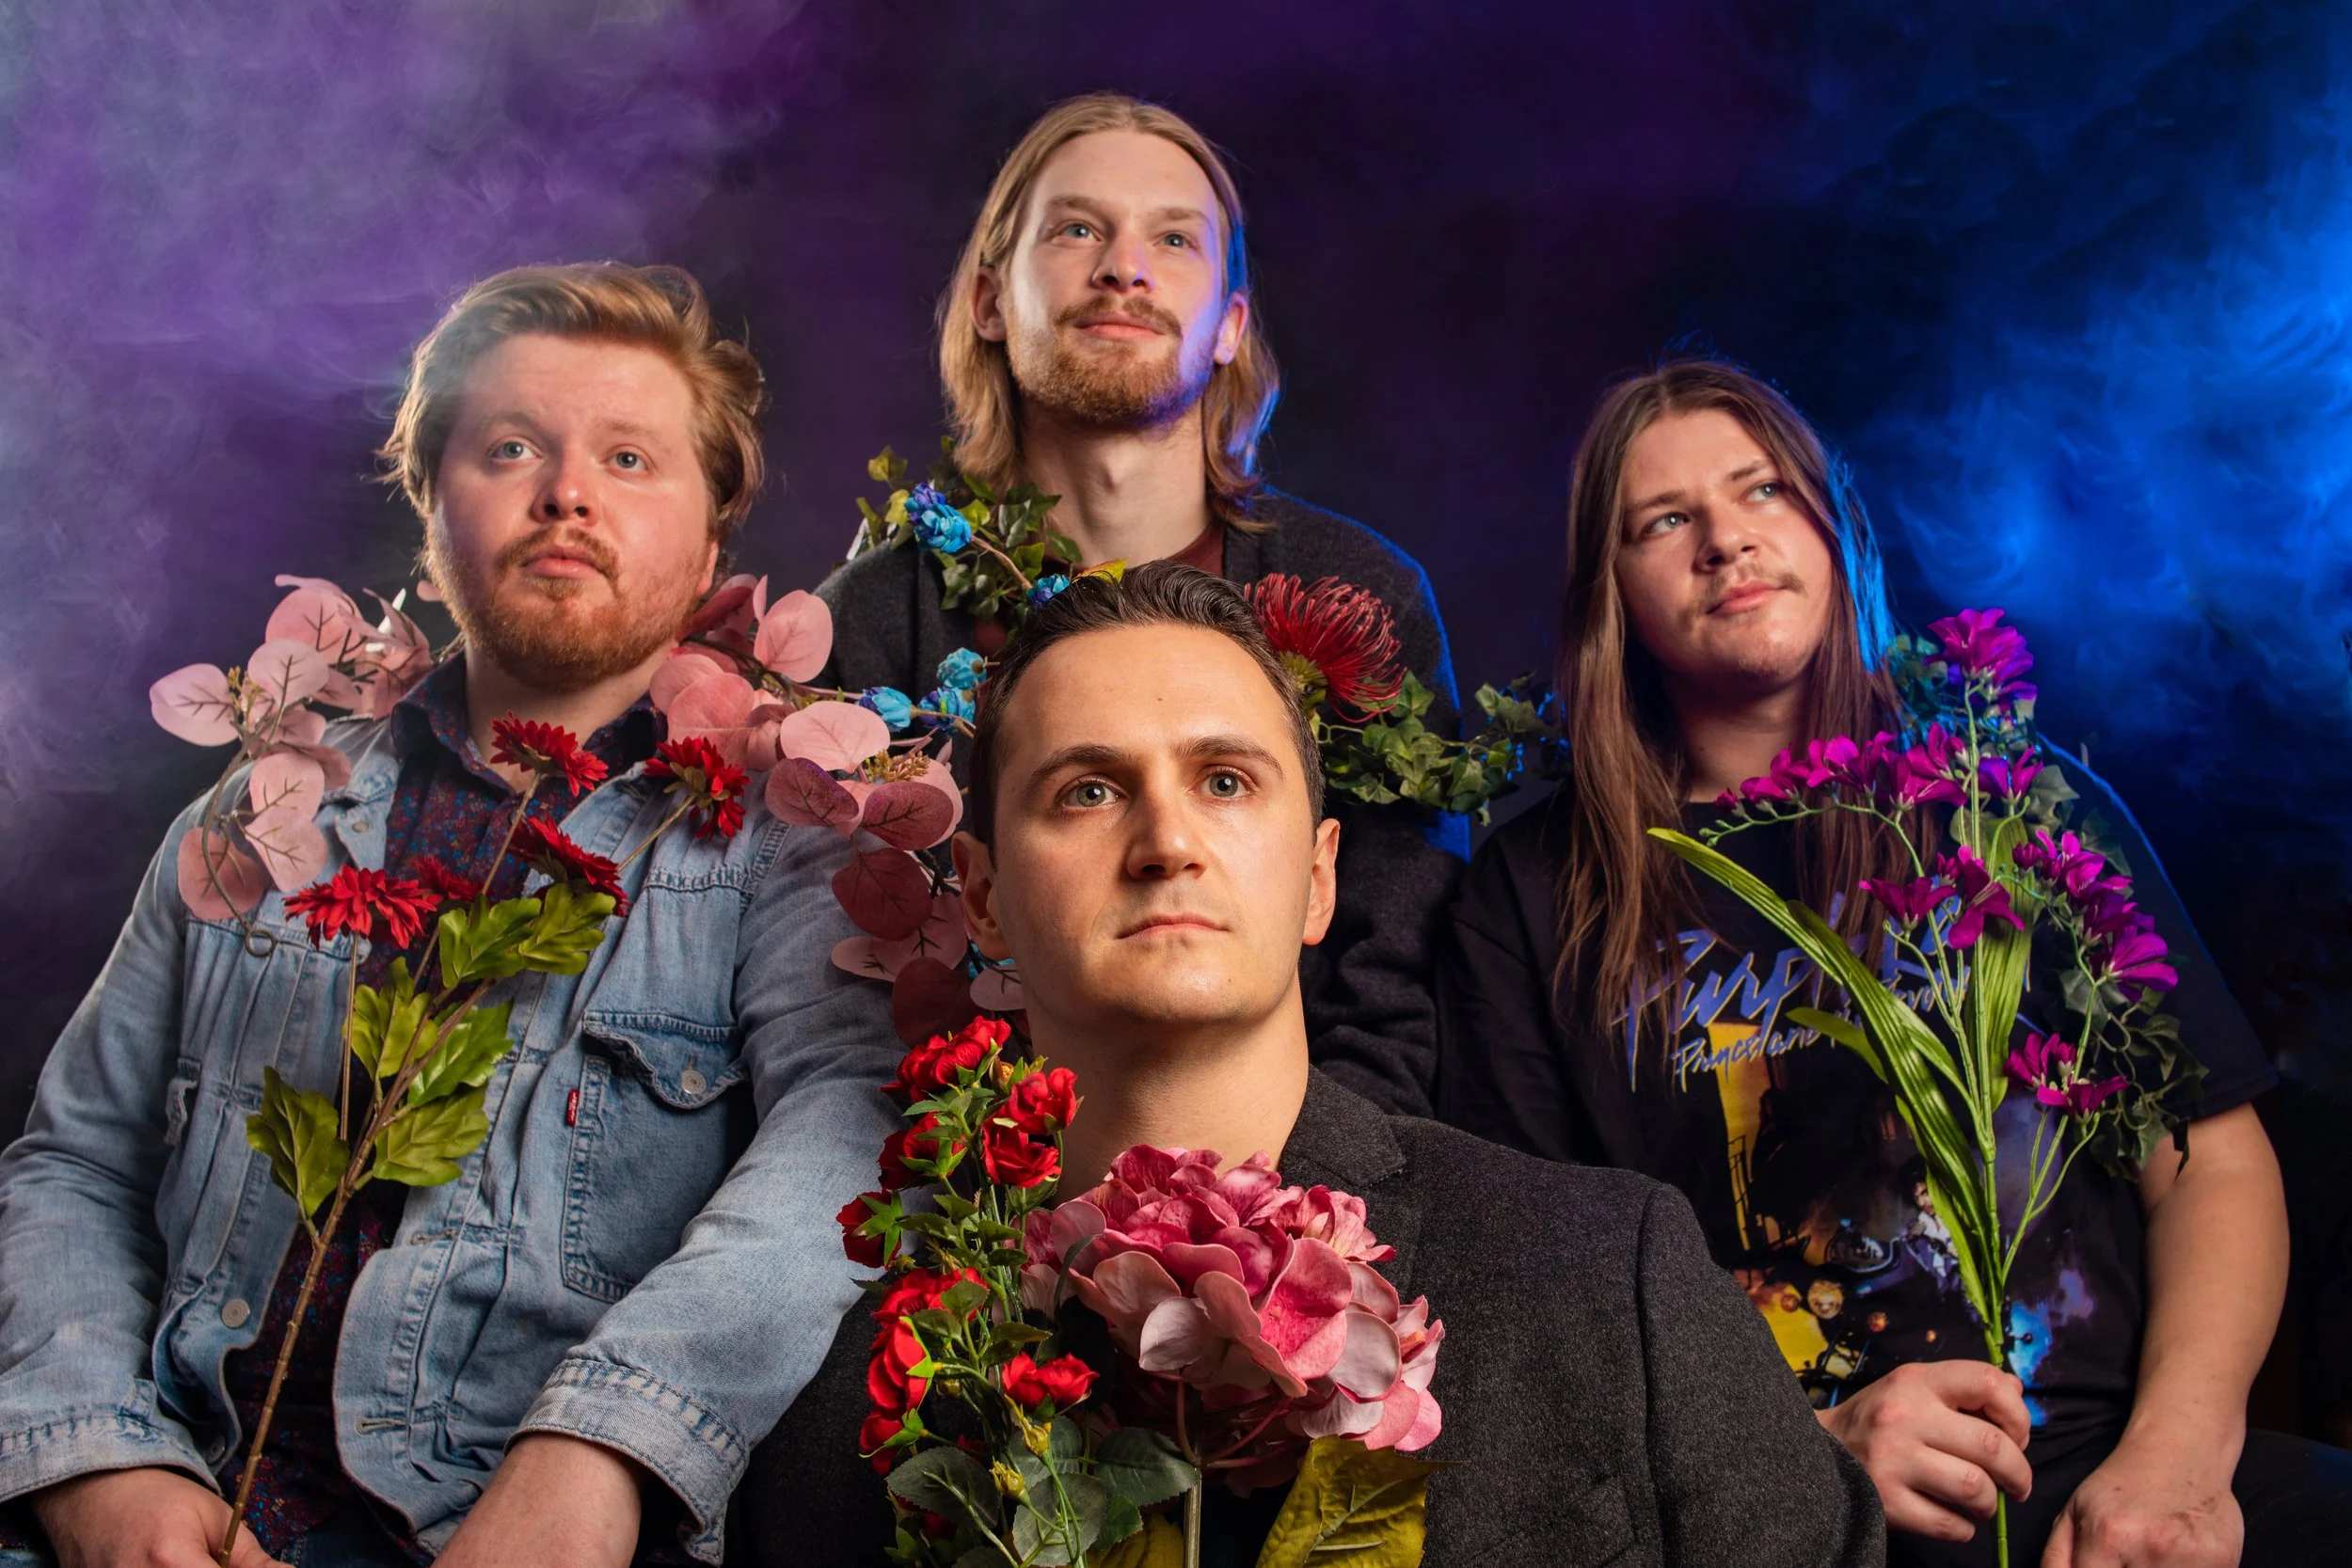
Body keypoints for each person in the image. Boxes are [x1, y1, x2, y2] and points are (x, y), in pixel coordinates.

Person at [0, 263, 899, 1567]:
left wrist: (606, 1447)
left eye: (630, 457)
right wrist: (98, 1458)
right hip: (183, 1488)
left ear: (712, 549)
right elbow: (77, 1159)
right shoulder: (263, 809)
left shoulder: (787, 847)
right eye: (511, 447)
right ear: (431, 510)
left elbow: (845, 1145)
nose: (567, 493)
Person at [732, 562, 1886, 1567]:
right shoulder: (864, 1391)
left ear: (1321, 877)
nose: (1167, 841)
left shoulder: (1607, 1272)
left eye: (1224, 781)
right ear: (982, 897)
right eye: (1087, 790)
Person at [1436, 358, 2352, 1566]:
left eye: (1761, 489)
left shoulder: (2010, 802)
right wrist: (1793, 1454)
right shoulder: (1529, 897)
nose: (1724, 538)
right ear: (1612, 593)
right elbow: (1536, 1308)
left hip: (2101, 1474)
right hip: (1780, 1515)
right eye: (1662, 520)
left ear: (1833, 528)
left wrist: (2171, 1466)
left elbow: (2208, 1164)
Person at [816, 92, 1465, 1117]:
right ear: (989, 302)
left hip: (1295, 1179)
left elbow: (1391, 998)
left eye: (1173, 239)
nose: (1124, 267)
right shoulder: (871, 619)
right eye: (1077, 229)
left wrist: (1276, 1203)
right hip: (953, 1175)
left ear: (1230, 326)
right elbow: (837, 1006)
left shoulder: (1362, 594)